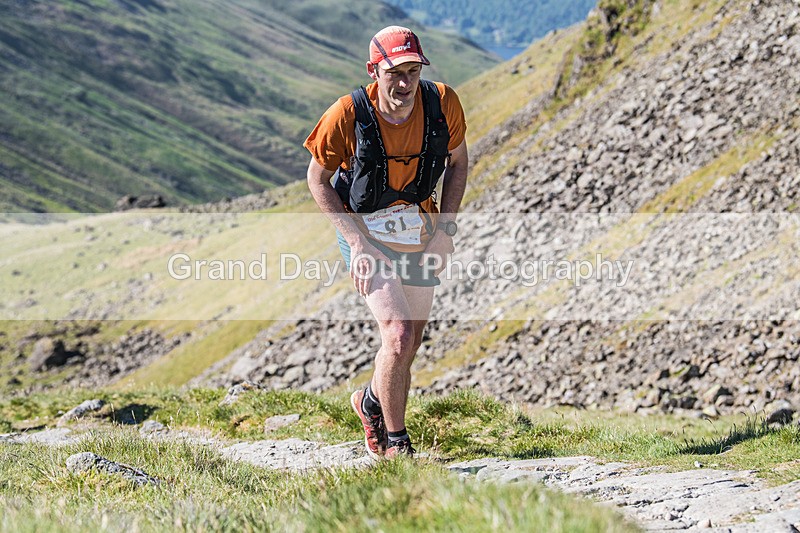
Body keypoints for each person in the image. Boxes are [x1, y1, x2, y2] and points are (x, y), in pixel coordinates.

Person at [304, 25, 468, 458]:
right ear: (374, 70)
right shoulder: (346, 114)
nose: (405, 82)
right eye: (394, 72)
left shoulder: (443, 103)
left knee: (410, 342)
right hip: (364, 233)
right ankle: (396, 443)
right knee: (396, 334)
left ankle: (371, 401)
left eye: (413, 70)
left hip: (420, 229)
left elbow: (459, 163)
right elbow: (317, 180)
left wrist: (445, 232)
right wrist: (357, 245)